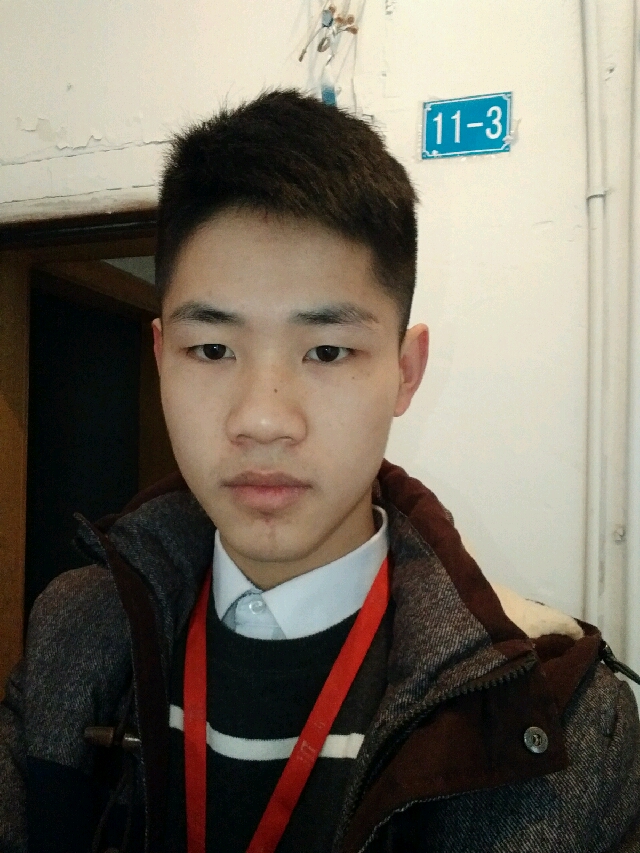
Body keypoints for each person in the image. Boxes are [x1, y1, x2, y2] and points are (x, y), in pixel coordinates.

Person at [1, 89, 639, 853]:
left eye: (328, 351)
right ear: (162, 357)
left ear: (405, 372)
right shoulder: (73, 634)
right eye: (212, 349)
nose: (264, 419)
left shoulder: (562, 717)